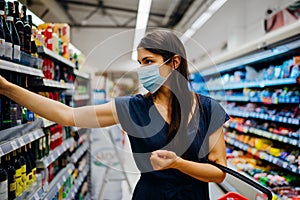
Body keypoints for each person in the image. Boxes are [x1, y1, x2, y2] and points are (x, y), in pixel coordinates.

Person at [0, 30, 229, 199]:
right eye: (140, 63)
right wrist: (7, 88)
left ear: (174, 62)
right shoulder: (131, 107)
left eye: (149, 61)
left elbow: (219, 172)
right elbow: (67, 115)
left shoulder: (208, 109)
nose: (142, 70)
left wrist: (178, 163)